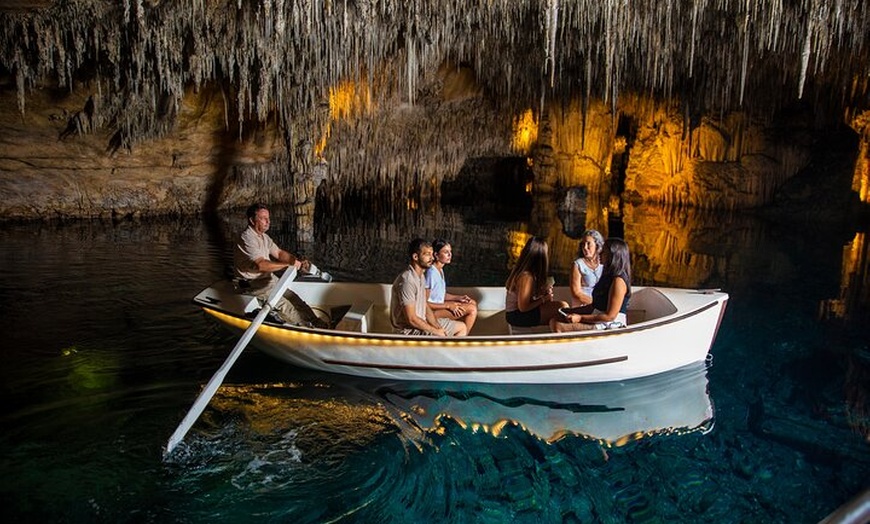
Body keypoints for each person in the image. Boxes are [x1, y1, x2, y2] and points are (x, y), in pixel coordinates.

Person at [233, 203, 328, 328]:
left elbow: (278, 253)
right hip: (253, 284)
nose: (268, 221)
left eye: (268, 218)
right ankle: (306, 329)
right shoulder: (247, 238)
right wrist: (286, 266)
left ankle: (318, 323)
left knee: (295, 299)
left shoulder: (264, 237)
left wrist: (296, 262)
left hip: (268, 280)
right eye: (263, 218)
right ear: (251, 220)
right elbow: (260, 265)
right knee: (286, 307)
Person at [551, 237, 632, 332]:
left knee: (557, 325)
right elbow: (594, 306)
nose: (599, 254)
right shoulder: (607, 276)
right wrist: (570, 310)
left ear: (612, 256)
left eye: (603, 252)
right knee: (556, 318)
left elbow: (610, 316)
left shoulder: (618, 281)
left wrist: (580, 318)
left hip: (610, 324)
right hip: (599, 319)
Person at [391, 238, 467, 336]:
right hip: (409, 331)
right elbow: (412, 319)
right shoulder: (407, 280)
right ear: (415, 256)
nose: (431, 258)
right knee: (457, 329)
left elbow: (425, 307)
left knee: (462, 327)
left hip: (421, 323)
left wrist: (437, 326)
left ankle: (444, 350)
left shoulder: (421, 276)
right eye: (427, 254)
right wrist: (435, 331)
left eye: (432, 254)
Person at [504, 236, 568, 328]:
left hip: (515, 314)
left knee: (561, 309)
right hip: (516, 316)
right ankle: (558, 329)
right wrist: (543, 299)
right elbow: (523, 308)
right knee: (563, 307)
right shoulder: (526, 276)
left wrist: (543, 294)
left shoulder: (525, 273)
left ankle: (555, 326)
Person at [425, 238, 478, 334]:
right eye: (445, 252)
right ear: (436, 255)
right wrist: (449, 306)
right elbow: (424, 303)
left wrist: (458, 298)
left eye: (450, 251)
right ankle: (463, 337)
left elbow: (439, 294)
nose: (450, 255)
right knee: (472, 309)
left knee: (472, 302)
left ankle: (459, 333)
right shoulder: (431, 273)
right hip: (432, 312)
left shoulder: (440, 270)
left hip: (440, 306)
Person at [568, 229, 604, 310]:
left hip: (601, 306)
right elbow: (576, 293)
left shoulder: (604, 263)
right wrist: (597, 304)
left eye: (588, 244)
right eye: (583, 244)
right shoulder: (578, 264)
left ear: (597, 245)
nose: (585, 247)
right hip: (583, 306)